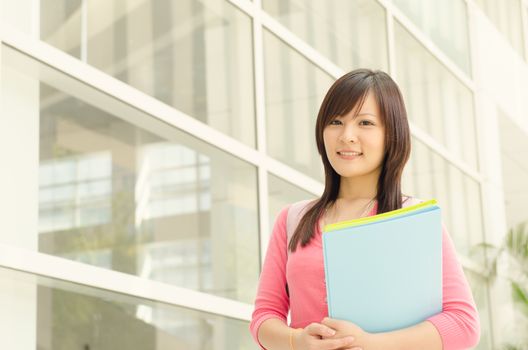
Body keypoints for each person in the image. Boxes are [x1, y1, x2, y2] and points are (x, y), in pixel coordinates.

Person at [249, 69, 480, 350]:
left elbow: (463, 324)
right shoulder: (292, 219)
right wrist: (297, 341)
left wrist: (370, 343)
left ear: (391, 135)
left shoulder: (415, 219)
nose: (347, 136)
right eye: (335, 121)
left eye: (365, 123)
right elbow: (263, 317)